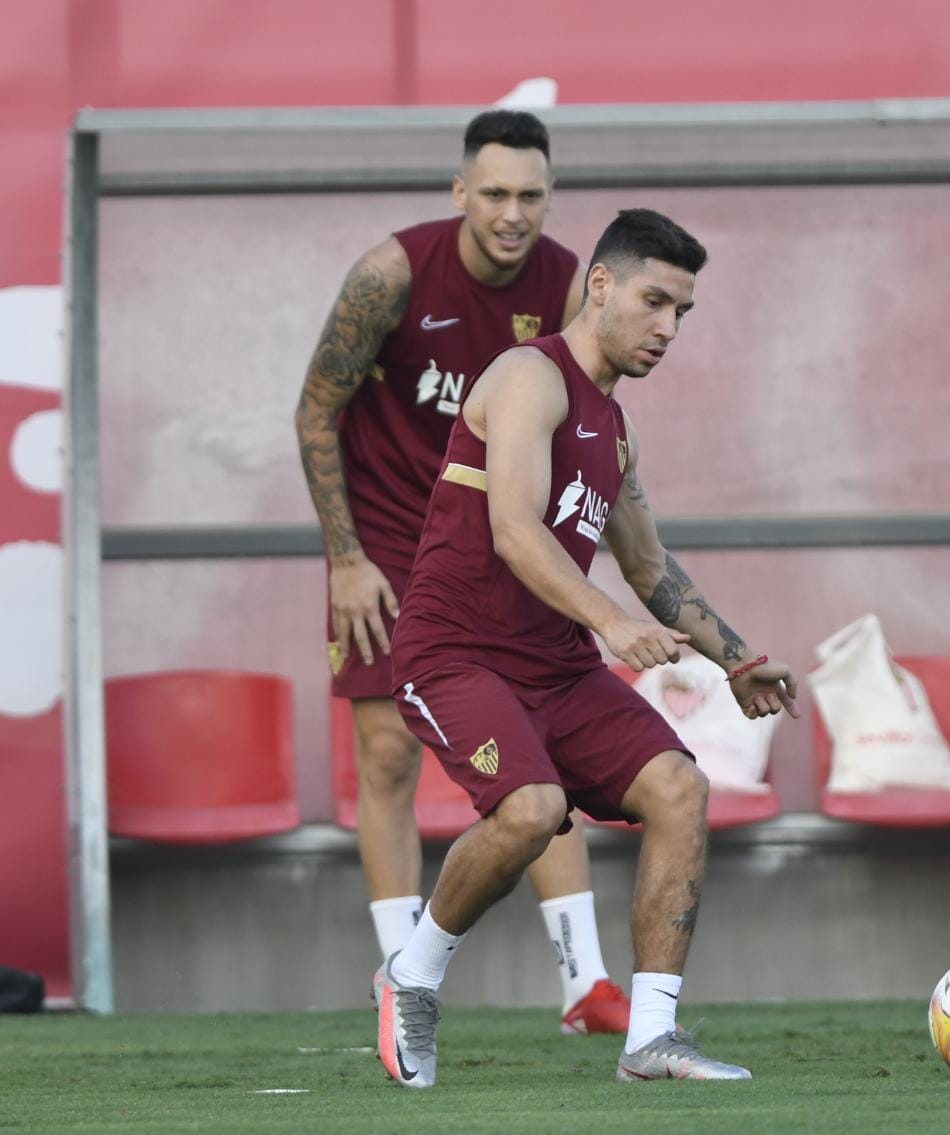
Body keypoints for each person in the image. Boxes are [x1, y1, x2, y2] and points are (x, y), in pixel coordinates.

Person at [373, 208, 799, 1087]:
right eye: (654, 302)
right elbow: (513, 531)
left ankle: (650, 1037)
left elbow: (649, 564)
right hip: (456, 651)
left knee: (680, 788)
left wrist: (738, 660)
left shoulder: (619, 428)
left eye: (682, 313)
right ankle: (409, 975)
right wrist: (609, 623)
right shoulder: (530, 377)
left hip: (555, 667)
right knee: (529, 808)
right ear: (600, 285)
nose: (667, 329)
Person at [294, 109, 629, 1034]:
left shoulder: (572, 284)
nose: (512, 212)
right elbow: (315, 409)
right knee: (387, 754)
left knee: (542, 747)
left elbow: (577, 427)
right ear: (460, 193)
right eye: (494, 193)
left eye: (529, 195)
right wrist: (347, 557)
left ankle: (587, 986)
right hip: (388, 544)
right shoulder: (392, 273)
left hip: (502, 537)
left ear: (550, 198)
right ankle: (400, 971)